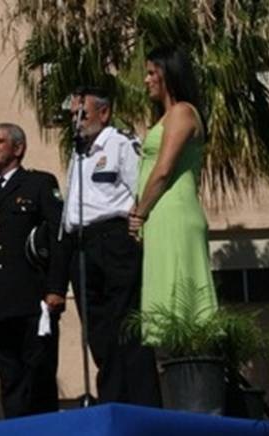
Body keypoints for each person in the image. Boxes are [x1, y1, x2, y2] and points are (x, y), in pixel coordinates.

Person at [62, 87, 161, 406]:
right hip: (82, 244)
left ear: (103, 113)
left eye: (83, 114)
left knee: (127, 325)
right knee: (98, 331)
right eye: (72, 115)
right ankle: (113, 400)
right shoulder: (78, 151)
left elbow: (139, 189)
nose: (76, 121)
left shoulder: (120, 142)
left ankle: (142, 404)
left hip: (114, 238)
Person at [0, 123, 66, 418]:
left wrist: (56, 288)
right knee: (9, 380)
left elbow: (59, 239)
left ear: (18, 148)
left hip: (33, 300)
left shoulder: (38, 185)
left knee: (38, 376)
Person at [128, 47, 218, 336]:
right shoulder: (167, 116)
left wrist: (140, 214)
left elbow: (164, 169)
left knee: (181, 305)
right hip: (160, 216)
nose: (146, 80)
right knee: (165, 306)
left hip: (173, 214)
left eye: (152, 72)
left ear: (169, 74)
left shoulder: (182, 113)